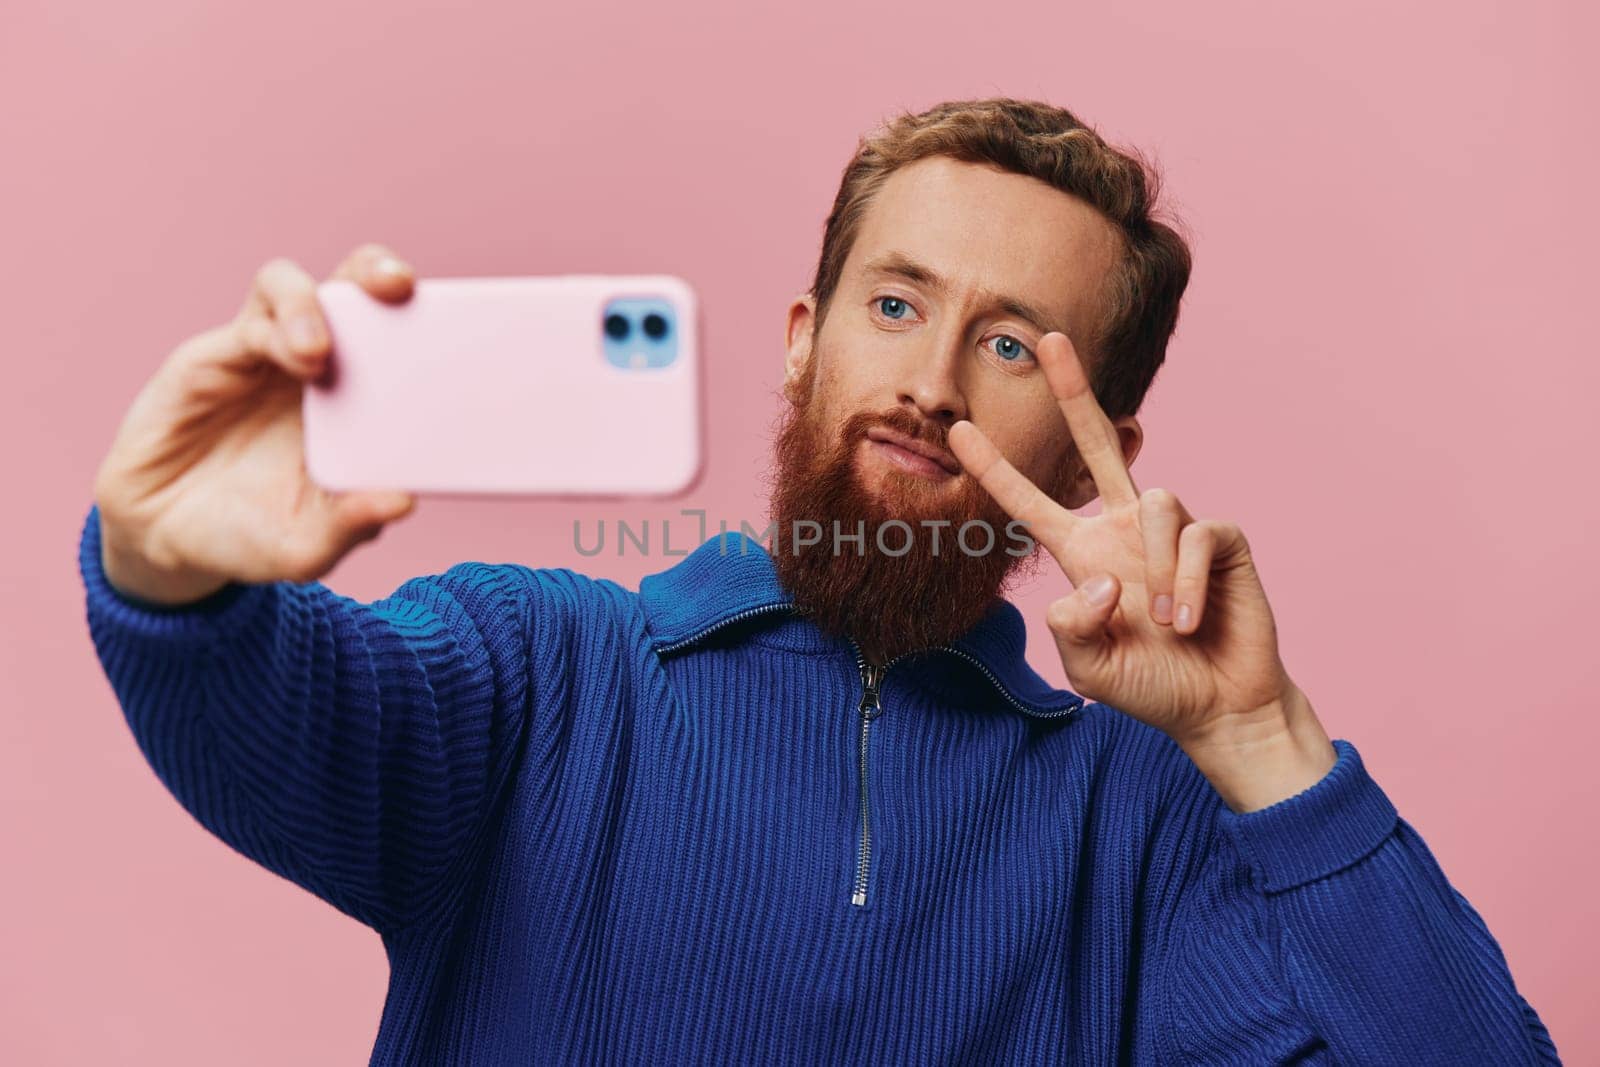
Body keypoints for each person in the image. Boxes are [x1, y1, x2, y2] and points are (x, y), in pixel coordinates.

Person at [78, 97, 1560, 1064]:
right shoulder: (541, 671)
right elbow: (268, 705)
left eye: (1007, 343)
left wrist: (1262, 741)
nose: (924, 382)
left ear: (1104, 435)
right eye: (896, 302)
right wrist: (166, 563)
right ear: (804, 338)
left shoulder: (1145, 820)